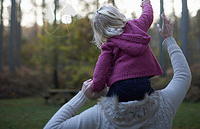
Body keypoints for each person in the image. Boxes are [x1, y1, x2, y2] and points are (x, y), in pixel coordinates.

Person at [44, 13, 192, 129]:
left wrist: (83, 96)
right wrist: (169, 39)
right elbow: (183, 75)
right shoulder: (165, 104)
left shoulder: (99, 117)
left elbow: (52, 127)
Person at [92, 0, 163, 102]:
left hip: (120, 85)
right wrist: (146, 5)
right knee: (148, 108)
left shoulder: (110, 44)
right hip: (143, 82)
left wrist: (96, 86)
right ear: (119, 16)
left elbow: (102, 67)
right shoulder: (136, 27)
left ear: (100, 30)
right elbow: (147, 17)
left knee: (108, 111)